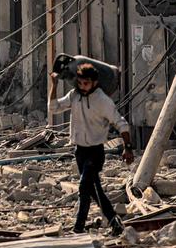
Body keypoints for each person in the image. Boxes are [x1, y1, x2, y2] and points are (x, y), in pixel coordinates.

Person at [49, 63, 134, 234]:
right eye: (80, 83)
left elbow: (121, 123)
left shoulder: (102, 101)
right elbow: (54, 108)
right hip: (80, 151)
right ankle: (115, 222)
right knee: (94, 190)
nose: (82, 87)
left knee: (83, 188)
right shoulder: (74, 95)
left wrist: (128, 147)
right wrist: (55, 85)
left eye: (86, 83)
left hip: (95, 152)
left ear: (94, 82)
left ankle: (78, 228)